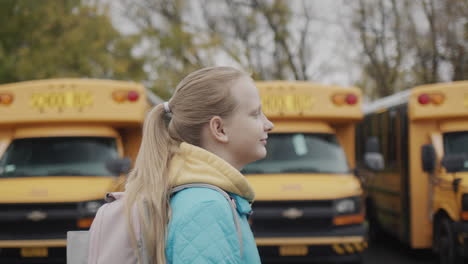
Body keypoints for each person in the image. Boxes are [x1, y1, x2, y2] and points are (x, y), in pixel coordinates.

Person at [124, 66, 274, 263]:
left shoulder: (204, 199)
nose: (269, 124)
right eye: (255, 114)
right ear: (219, 128)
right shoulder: (206, 206)